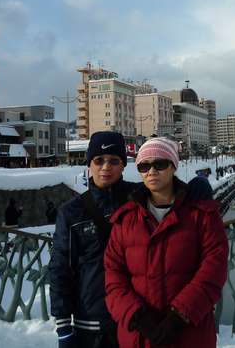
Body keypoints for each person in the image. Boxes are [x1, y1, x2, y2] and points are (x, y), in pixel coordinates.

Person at [49, 131, 213, 348]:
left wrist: (196, 189)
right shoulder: (71, 212)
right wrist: (63, 326)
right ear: (89, 164)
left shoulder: (140, 198)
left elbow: (169, 190)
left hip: (139, 322)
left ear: (123, 165)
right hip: (91, 323)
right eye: (98, 160)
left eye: (113, 161)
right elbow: (60, 269)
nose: (105, 167)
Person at [104, 137, 228, 347]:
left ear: (173, 167)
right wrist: (136, 316)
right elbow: (113, 276)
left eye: (160, 164)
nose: (151, 171)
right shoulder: (125, 220)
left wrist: (180, 316)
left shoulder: (202, 215)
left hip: (190, 334)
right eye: (144, 166)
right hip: (139, 337)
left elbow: (213, 271)